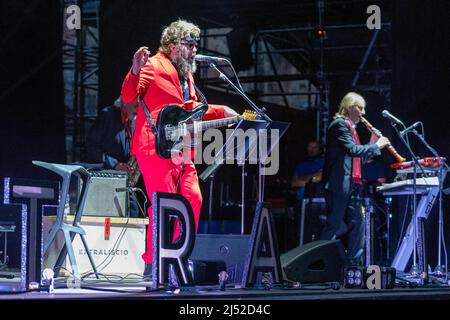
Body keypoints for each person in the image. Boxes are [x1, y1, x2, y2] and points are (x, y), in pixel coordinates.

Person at [120, 19, 238, 274]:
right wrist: (134, 70)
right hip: (155, 146)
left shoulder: (187, 75)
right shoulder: (152, 64)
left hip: (182, 147)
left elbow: (191, 111)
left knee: (193, 197)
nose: (194, 49)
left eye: (196, 44)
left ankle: (177, 253)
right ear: (172, 45)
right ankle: (155, 262)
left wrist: (221, 111)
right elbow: (129, 96)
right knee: (165, 203)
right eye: (189, 44)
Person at [319, 92, 390, 265]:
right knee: (334, 225)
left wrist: (373, 141)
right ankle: (318, 262)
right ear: (350, 107)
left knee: (358, 225)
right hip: (339, 185)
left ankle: (353, 267)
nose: (363, 113)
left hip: (353, 184)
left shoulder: (351, 129)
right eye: (361, 108)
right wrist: (376, 145)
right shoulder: (339, 125)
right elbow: (353, 150)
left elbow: (359, 160)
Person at [85, 96, 143, 218]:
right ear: (126, 100)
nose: (138, 110)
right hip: (104, 179)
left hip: (122, 180)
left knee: (134, 213)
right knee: (130, 214)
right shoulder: (108, 115)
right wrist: (115, 164)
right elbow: (91, 146)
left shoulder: (132, 122)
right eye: (136, 105)